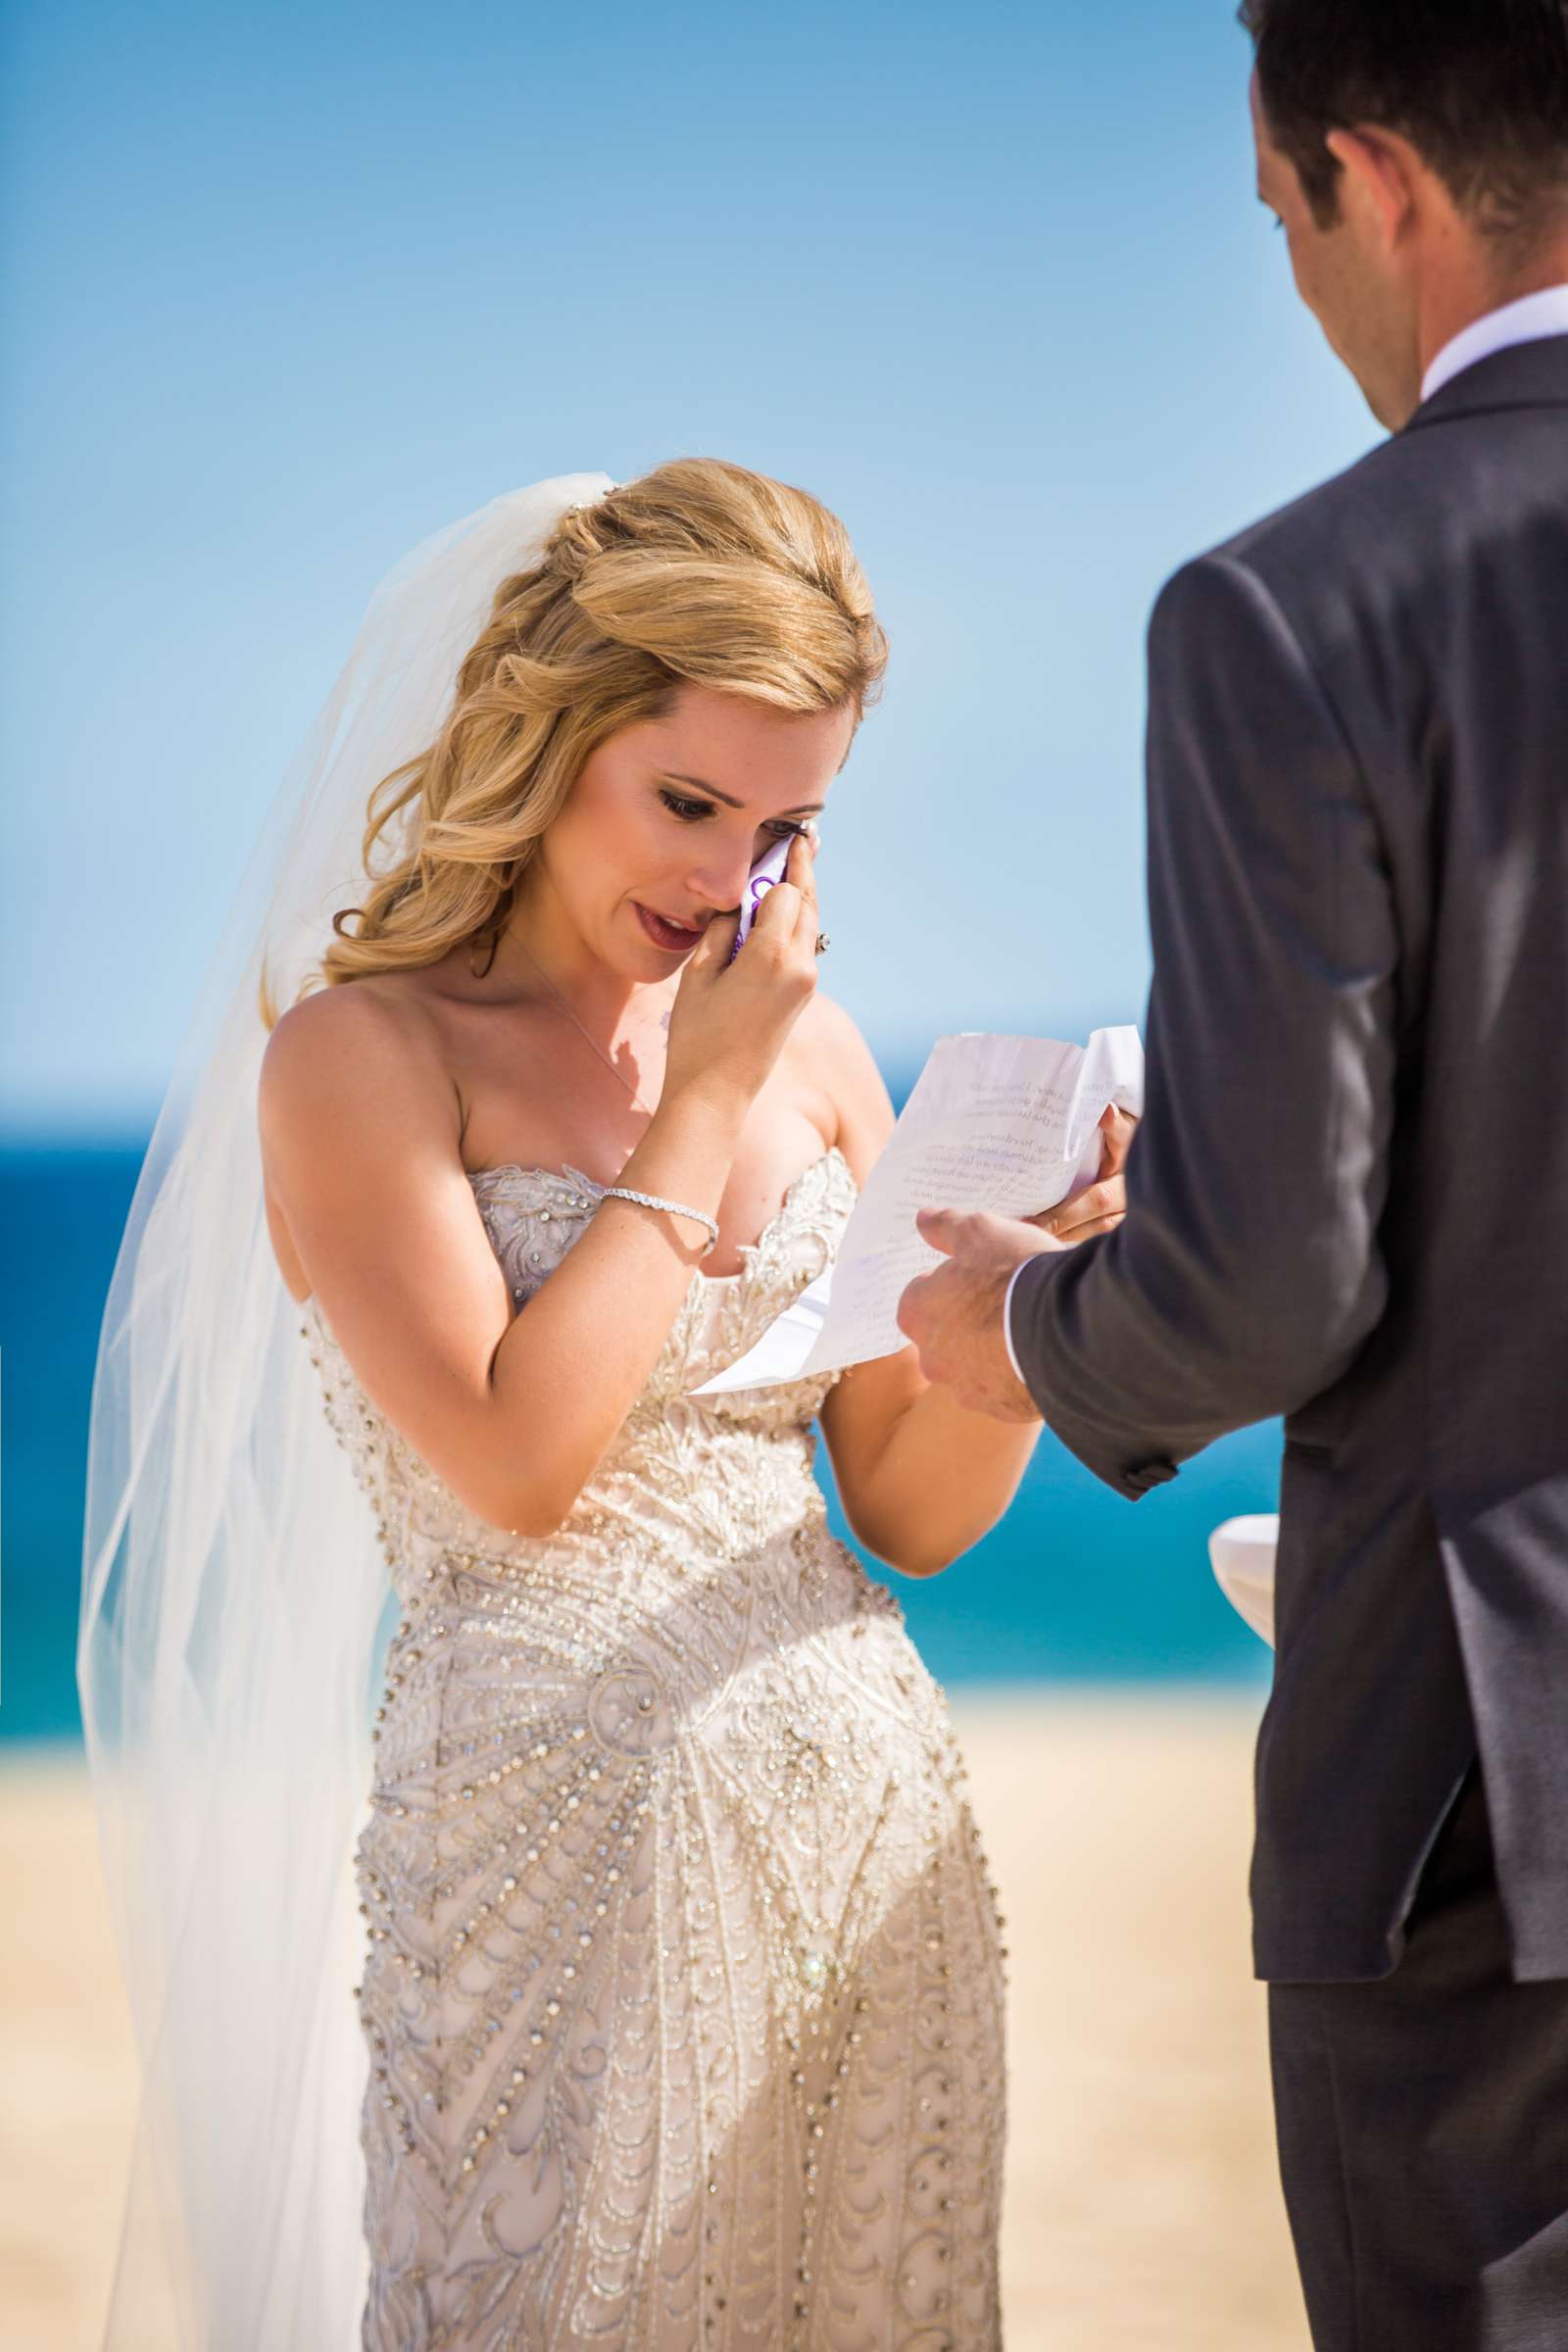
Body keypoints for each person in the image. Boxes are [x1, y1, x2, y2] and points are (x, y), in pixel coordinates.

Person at [80, 459, 1109, 2349]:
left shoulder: (809, 1048)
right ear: (551, 744)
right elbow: (514, 1469)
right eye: (689, 803)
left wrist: (1026, 1313)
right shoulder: (362, 1053)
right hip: (546, 1856)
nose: (729, 881)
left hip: (867, 1820)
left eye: (787, 826)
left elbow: (908, 1507)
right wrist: (695, 1103)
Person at [896, 6, 1568, 2345]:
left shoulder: (1298, 608)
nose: (1294, 278)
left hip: (1496, 1808)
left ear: (1366, 178)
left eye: (1275, 219)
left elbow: (1269, 1286)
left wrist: (1015, 1324)